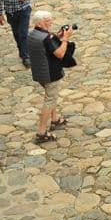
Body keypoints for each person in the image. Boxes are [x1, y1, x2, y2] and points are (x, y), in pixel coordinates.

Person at [27, 10, 73, 143]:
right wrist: (65, 39)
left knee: (51, 97)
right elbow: (60, 53)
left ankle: (55, 120)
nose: (51, 22)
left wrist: (57, 36)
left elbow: (46, 44)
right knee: (49, 100)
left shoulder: (32, 34)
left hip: (39, 73)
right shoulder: (47, 38)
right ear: (40, 23)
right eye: (48, 21)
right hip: (50, 73)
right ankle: (41, 132)